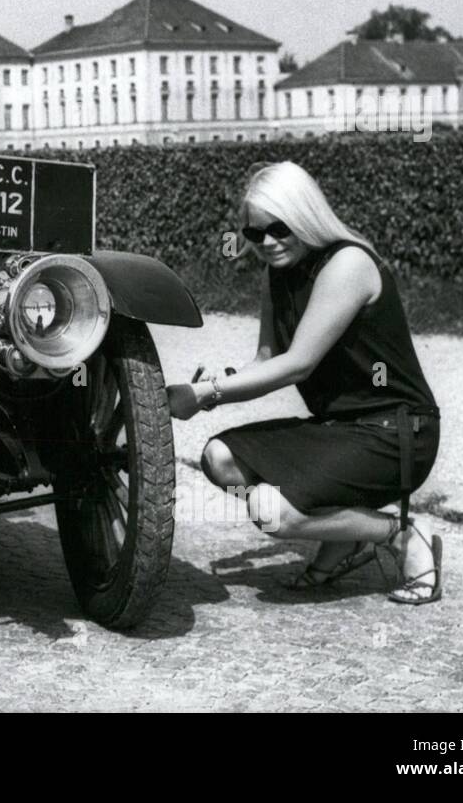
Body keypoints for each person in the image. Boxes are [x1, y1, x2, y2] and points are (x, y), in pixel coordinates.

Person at [166, 161, 443, 604]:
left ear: (305, 216)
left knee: (270, 513)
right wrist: (221, 382)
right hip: (338, 431)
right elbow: (266, 359)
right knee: (219, 459)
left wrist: (203, 395)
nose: (268, 243)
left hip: (398, 431)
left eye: (279, 228)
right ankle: (345, 532)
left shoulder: (348, 263)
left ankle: (400, 533)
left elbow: (298, 364)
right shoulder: (276, 273)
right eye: (255, 234)